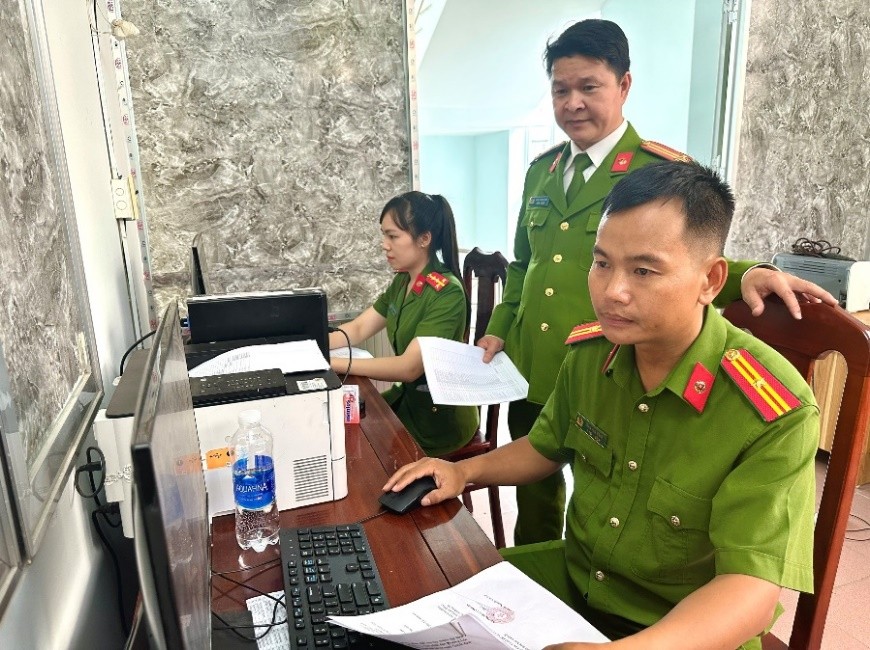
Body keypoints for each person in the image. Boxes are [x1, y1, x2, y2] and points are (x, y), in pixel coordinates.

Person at [384, 161, 817, 649]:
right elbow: (545, 447)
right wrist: (462, 472)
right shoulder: (594, 353)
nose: (612, 292)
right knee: (419, 593)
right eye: (602, 263)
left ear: (711, 280)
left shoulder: (769, 409)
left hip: (681, 628)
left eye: (643, 270)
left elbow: (751, 592)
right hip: (577, 584)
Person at [477, 18, 836, 545]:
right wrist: (500, 327)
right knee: (534, 503)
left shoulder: (654, 172)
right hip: (534, 362)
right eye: (560, 90)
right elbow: (523, 263)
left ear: (623, 85)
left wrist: (751, 273)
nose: (573, 103)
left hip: (613, 367)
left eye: (588, 87)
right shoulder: (542, 171)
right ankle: (542, 576)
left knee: (612, 497)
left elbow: (688, 262)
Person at [328, 191, 478, 457]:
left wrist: (329, 363)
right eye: (384, 235)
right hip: (408, 401)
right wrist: (314, 347)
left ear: (424, 239)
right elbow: (359, 328)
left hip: (437, 421)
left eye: (393, 236)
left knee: (361, 447)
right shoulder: (403, 280)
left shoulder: (447, 293)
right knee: (344, 426)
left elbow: (409, 368)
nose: (384, 245)